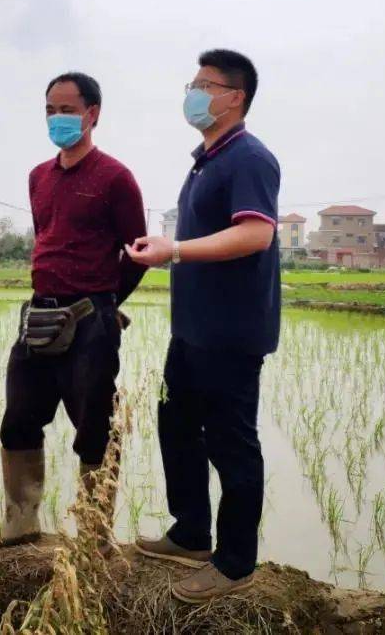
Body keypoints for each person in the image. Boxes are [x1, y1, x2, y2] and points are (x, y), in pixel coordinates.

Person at [126, 49, 280, 603]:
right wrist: (166, 248)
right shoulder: (207, 160)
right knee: (177, 426)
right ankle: (192, 531)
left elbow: (255, 235)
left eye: (203, 84)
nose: (192, 94)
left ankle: (235, 562)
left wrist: (175, 251)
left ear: (234, 97)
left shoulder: (249, 158)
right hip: (191, 332)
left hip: (230, 335)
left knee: (231, 443)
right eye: (190, 84)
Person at [0, 71, 148, 547]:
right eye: (50, 110)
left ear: (92, 115)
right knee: (19, 418)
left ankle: (93, 532)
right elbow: (47, 237)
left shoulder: (116, 178)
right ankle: (21, 520)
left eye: (67, 110)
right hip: (38, 317)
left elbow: (138, 252)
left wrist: (104, 303)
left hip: (91, 322)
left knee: (94, 427)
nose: (57, 118)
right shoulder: (38, 177)